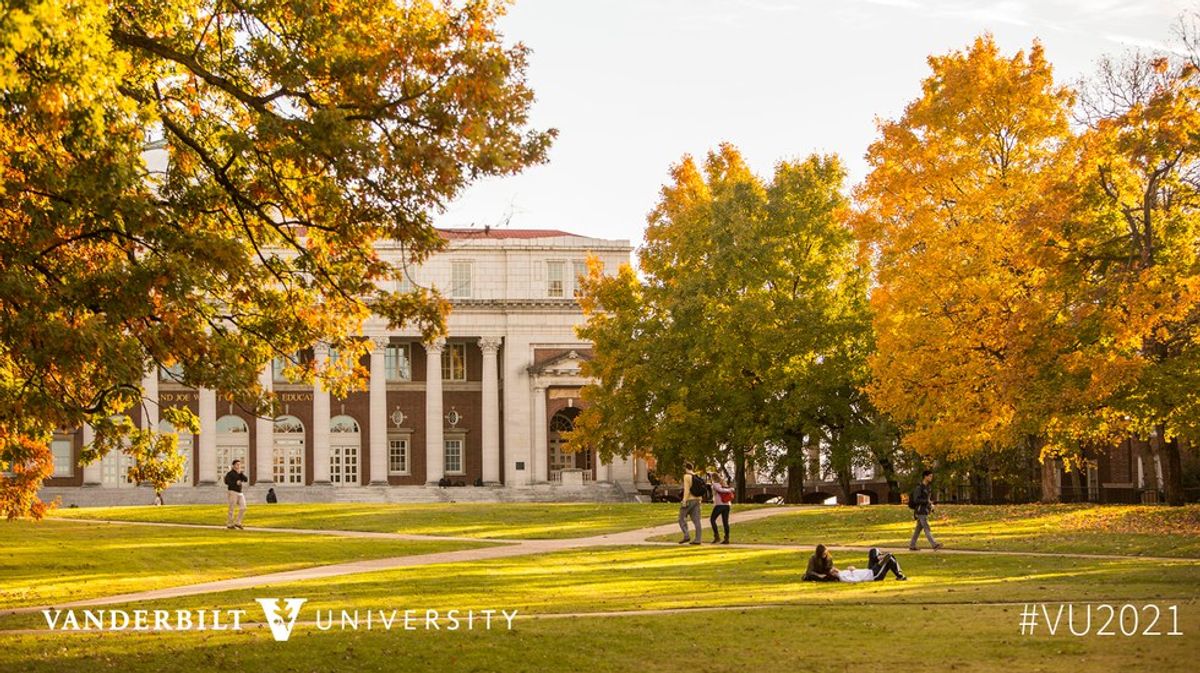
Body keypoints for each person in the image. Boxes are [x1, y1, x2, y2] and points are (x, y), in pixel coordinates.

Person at [908, 469, 943, 551]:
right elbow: (916, 500)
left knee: (918, 529)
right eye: (930, 476)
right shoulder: (919, 488)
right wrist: (926, 501)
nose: (931, 478)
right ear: (925, 477)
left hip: (925, 510)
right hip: (920, 511)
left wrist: (931, 505)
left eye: (932, 476)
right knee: (926, 528)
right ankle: (934, 545)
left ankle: (912, 545)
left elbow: (927, 500)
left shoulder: (927, 488)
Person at [837, 547, 908, 582]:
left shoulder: (841, 572)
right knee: (890, 559)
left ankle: (880, 557)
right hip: (874, 575)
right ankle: (900, 576)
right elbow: (856, 579)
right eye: (832, 570)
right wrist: (853, 572)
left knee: (873, 550)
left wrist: (852, 570)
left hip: (869, 570)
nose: (833, 568)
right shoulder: (842, 577)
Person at [677, 462, 703, 545]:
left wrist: (684, 500)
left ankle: (686, 535)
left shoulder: (686, 476)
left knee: (681, 518)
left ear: (686, 468)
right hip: (697, 500)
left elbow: (687, 490)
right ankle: (698, 539)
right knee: (697, 521)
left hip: (689, 500)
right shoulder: (696, 476)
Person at [709, 473, 734, 544]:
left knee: (712, 519)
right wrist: (730, 489)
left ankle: (717, 537)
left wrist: (729, 490)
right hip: (727, 505)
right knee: (725, 522)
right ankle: (726, 538)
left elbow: (720, 490)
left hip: (720, 505)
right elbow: (723, 489)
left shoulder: (715, 484)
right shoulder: (723, 483)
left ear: (713, 478)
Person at [224, 459, 248, 529]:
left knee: (243, 507)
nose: (239, 466)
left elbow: (246, 479)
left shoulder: (240, 473)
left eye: (239, 464)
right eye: (237, 464)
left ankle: (238, 522)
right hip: (232, 492)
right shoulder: (230, 473)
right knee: (232, 508)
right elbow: (226, 482)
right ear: (233, 465)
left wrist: (241, 473)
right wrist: (235, 483)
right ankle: (229, 524)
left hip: (240, 492)